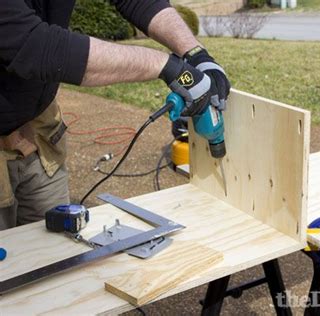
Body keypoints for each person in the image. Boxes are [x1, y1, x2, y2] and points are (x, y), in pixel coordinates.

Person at [0, 0, 231, 230]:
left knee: (53, 249)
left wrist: (196, 54)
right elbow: (33, 45)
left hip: (39, 134)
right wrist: (169, 67)